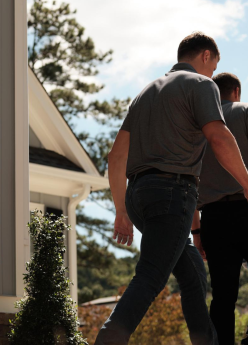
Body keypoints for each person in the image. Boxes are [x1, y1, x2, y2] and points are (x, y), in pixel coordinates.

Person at [95, 32, 248, 345]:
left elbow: (116, 156)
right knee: (151, 275)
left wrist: (121, 210)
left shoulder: (145, 92)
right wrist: (247, 182)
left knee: (192, 273)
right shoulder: (202, 85)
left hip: (139, 197)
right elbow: (219, 138)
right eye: (213, 64)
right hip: (171, 193)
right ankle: (109, 338)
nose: (212, 73)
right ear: (206, 56)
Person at [192, 73, 248, 345]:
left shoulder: (199, 128)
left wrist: (197, 232)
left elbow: (188, 182)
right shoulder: (244, 111)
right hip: (246, 208)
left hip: (213, 218)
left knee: (223, 294)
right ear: (236, 91)